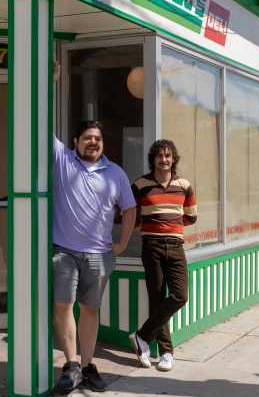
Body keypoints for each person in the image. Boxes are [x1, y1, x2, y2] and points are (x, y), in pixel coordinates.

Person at [52, 120, 136, 395]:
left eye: (97, 139)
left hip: (100, 255)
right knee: (63, 305)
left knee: (90, 309)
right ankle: (71, 364)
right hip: (64, 251)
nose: (93, 142)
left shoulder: (115, 173)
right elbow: (40, 124)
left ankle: (88, 365)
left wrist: (122, 242)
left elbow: (129, 208)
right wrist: (50, 78)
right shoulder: (63, 160)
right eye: (87, 137)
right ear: (76, 141)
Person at [129, 140, 197, 372]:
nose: (164, 160)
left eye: (168, 156)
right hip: (152, 247)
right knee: (157, 299)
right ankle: (166, 352)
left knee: (180, 295)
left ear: (173, 158)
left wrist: (170, 226)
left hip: (176, 247)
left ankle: (141, 336)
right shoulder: (140, 184)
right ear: (153, 159)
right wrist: (151, 227)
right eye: (159, 156)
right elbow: (132, 215)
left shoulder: (184, 185)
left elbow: (191, 217)